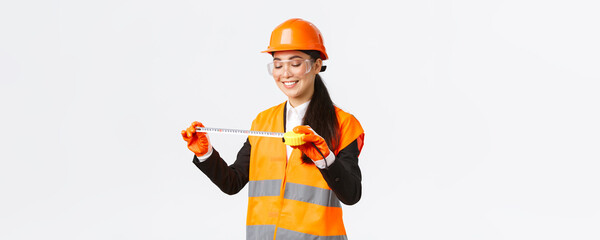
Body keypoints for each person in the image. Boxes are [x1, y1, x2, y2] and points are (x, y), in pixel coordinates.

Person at [181, 18, 365, 240]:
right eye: (278, 65)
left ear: (316, 65)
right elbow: (233, 182)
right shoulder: (263, 121)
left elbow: (352, 194)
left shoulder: (344, 124)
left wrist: (325, 159)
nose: (285, 73)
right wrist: (205, 154)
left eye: (295, 63)